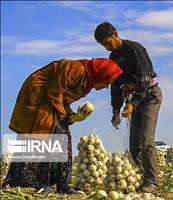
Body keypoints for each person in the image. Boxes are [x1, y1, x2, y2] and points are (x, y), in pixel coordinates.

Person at [1, 58, 122, 194]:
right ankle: (28, 182)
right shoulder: (76, 69)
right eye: (108, 81)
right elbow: (54, 92)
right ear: (101, 74)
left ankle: (61, 184)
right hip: (37, 97)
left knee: (62, 135)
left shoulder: (87, 82)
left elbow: (64, 100)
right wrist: (65, 116)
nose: (107, 86)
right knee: (40, 135)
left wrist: (75, 116)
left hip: (50, 100)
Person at [94, 22, 162, 193]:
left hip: (149, 96)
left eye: (108, 43)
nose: (107, 48)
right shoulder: (113, 59)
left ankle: (152, 181)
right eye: (104, 45)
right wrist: (116, 110)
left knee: (146, 139)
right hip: (133, 100)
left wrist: (132, 104)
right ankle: (139, 177)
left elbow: (145, 79)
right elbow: (116, 86)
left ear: (116, 34)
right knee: (134, 145)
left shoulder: (135, 49)